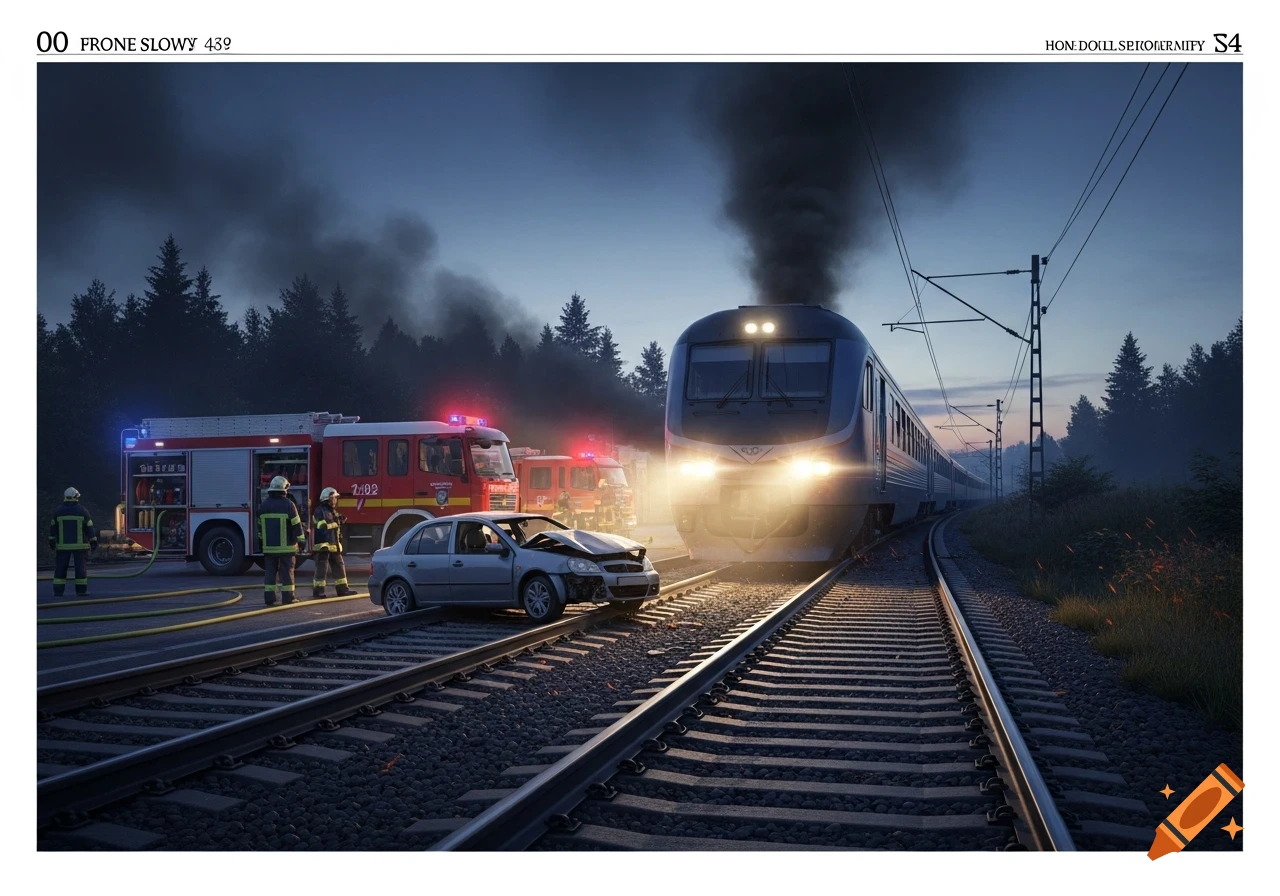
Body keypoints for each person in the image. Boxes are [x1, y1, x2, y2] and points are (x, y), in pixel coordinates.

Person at [258, 476, 305, 606]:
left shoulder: (263, 505)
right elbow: (297, 526)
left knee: (270, 571)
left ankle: (269, 598)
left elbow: (260, 528)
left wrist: (262, 543)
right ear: (284, 489)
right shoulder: (289, 505)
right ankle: (288, 597)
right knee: (287, 572)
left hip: (269, 548)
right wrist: (302, 541)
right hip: (287, 548)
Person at [49, 487, 97, 597]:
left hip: (62, 546)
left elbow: (53, 528)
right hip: (80, 546)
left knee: (60, 568)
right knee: (80, 569)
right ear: (76, 497)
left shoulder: (58, 511)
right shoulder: (82, 510)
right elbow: (89, 527)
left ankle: (58, 591)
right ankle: (81, 591)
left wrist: (51, 540)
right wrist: (93, 541)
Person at [312, 487, 355, 598]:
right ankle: (318, 591)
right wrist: (337, 523)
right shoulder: (320, 511)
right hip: (323, 545)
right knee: (322, 569)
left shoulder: (332, 511)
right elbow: (321, 526)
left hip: (333, 544)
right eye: (334, 498)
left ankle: (343, 590)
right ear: (329, 498)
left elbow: (334, 523)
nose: (335, 500)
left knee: (339, 566)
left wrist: (339, 520)